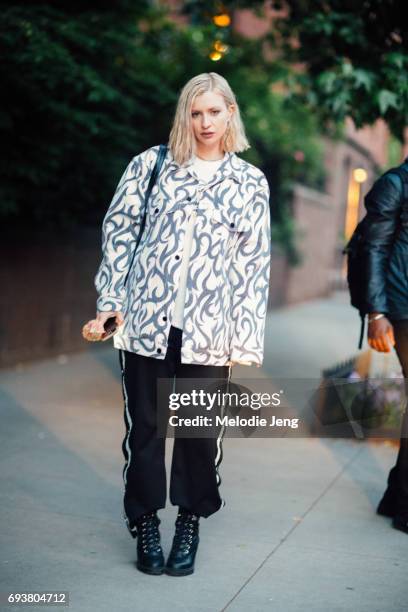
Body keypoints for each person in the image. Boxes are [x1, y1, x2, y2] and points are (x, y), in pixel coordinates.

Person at [89, 72, 271, 575]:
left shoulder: (250, 183)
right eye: (196, 113)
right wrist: (110, 302)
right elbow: (119, 233)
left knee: (197, 434)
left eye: (214, 111)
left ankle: (189, 521)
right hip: (147, 321)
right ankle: (145, 522)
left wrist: (246, 339)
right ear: (184, 116)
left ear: (230, 113)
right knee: (145, 430)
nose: (205, 122)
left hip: (210, 333)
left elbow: (254, 265)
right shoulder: (151, 166)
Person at [361, 157, 408, 534]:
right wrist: (376, 312)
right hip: (402, 305)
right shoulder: (396, 184)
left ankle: (396, 495)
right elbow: (373, 248)